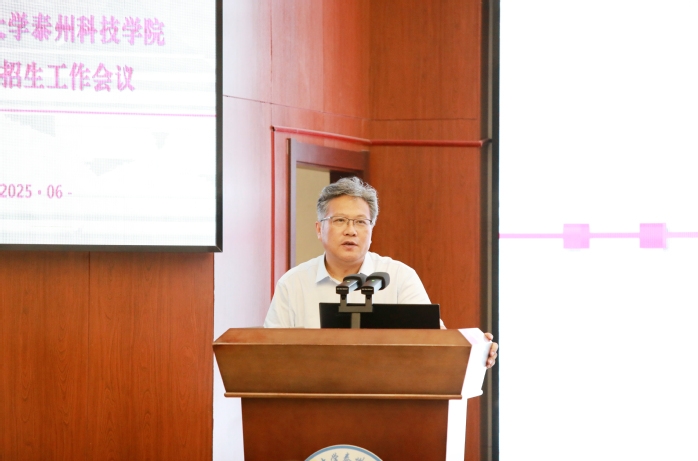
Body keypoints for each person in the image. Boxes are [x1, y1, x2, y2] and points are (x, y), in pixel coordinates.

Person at [263, 177, 498, 368]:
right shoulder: (293, 284)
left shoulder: (399, 277)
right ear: (319, 228)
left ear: (372, 229)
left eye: (361, 222)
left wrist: (476, 350)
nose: (351, 231)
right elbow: (268, 353)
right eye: (340, 220)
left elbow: (435, 340)